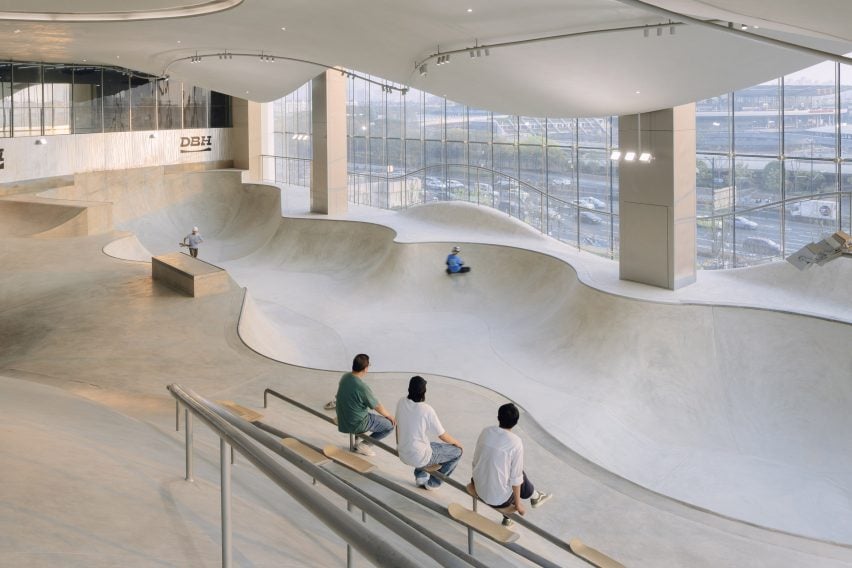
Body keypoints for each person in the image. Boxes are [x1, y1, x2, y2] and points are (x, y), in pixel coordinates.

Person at [471, 403, 551, 526]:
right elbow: (516, 478)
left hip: (479, 487)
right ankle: (534, 495)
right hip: (498, 500)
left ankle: (514, 513)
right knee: (517, 474)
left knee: (501, 469)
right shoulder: (516, 442)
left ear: (498, 417)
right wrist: (518, 504)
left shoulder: (486, 431)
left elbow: (476, 459)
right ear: (516, 422)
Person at [395, 376, 463, 490]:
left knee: (430, 444)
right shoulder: (426, 409)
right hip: (418, 456)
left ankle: (420, 476)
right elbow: (442, 435)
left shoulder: (401, 402)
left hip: (402, 452)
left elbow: (397, 426)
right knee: (457, 452)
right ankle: (432, 483)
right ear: (424, 392)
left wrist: (399, 445)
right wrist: (458, 443)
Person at [335, 353, 395, 456]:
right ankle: (364, 445)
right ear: (365, 368)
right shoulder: (362, 387)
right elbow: (377, 406)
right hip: (356, 423)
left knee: (364, 411)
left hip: (342, 418)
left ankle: (361, 443)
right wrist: (389, 416)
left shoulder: (345, 377)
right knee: (390, 426)